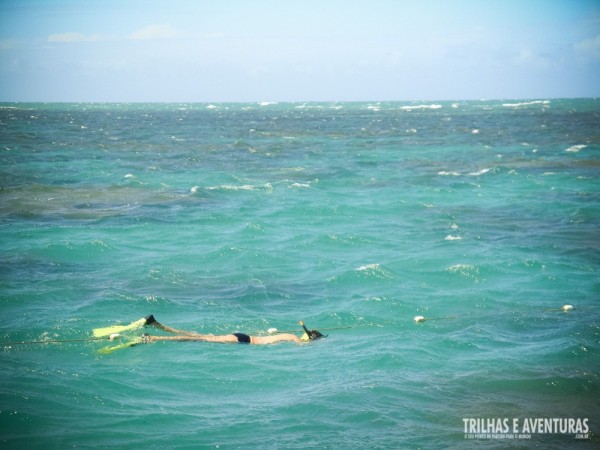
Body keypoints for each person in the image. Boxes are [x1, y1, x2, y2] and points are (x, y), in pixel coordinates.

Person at [140, 315, 325, 345]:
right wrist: (311, 343)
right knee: (199, 339)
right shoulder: (295, 338)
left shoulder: (287, 334)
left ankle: (157, 325)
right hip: (243, 341)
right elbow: (300, 345)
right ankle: (154, 337)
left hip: (242, 336)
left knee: (198, 335)